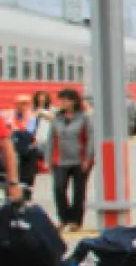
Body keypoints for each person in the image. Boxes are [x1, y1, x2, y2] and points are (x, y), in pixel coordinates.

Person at [46, 88, 92, 232]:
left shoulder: (84, 118)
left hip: (79, 159)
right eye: (61, 100)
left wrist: (88, 158)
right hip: (59, 160)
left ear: (74, 101)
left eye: (66, 100)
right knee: (59, 188)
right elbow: (50, 140)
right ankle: (63, 218)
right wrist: (48, 160)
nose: (63, 103)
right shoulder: (56, 119)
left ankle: (75, 220)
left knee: (79, 191)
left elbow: (90, 139)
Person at [8, 94, 42, 196]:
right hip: (15, 145)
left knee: (28, 174)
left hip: (29, 147)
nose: (23, 106)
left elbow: (34, 132)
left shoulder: (33, 117)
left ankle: (26, 190)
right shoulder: (10, 116)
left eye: (26, 103)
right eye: (20, 103)